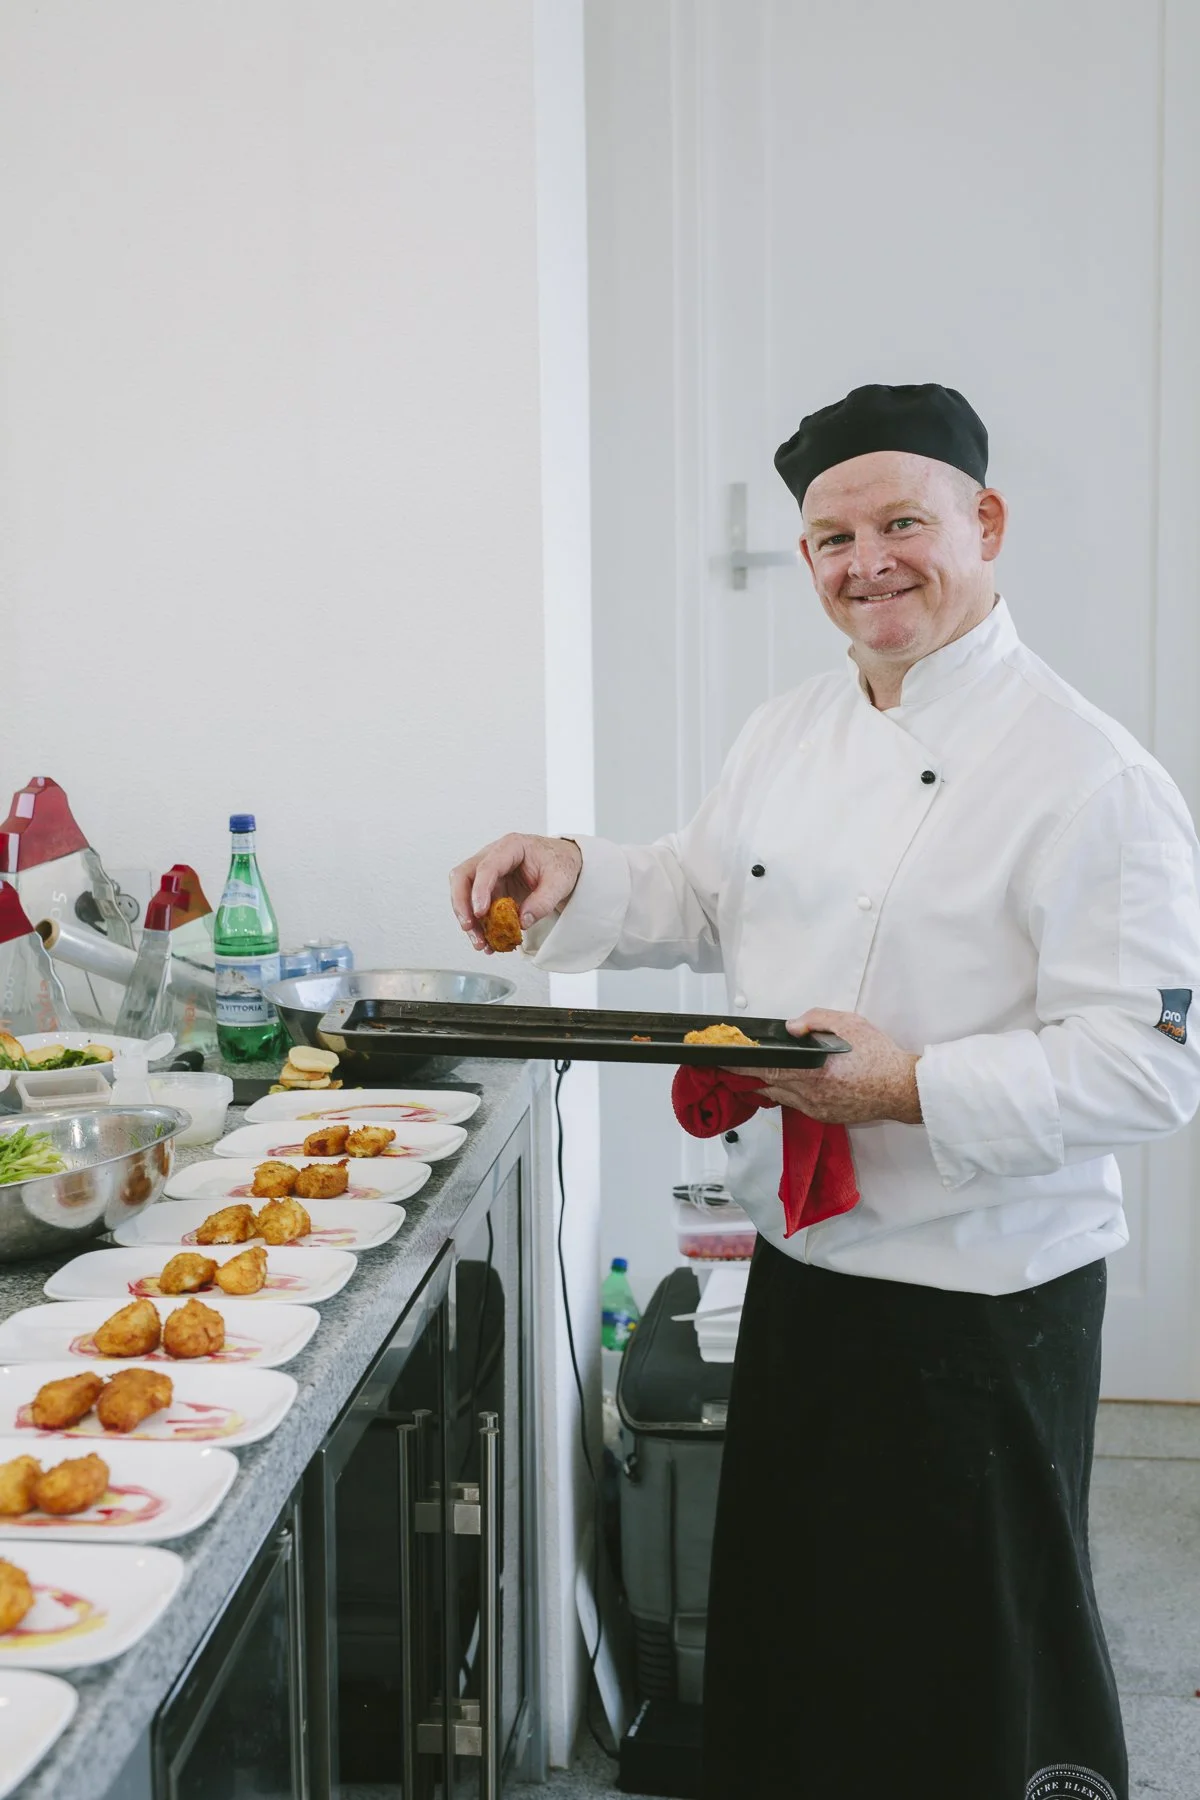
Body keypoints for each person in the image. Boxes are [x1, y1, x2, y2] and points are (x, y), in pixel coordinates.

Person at [449, 383, 1200, 1800]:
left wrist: (909, 1084)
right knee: (810, 1619)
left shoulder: (1090, 773)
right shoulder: (790, 726)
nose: (868, 563)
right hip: (806, 1254)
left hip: (986, 1283)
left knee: (978, 1643)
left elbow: (1150, 1062)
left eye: (902, 523)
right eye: (833, 536)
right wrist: (570, 865)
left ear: (985, 525)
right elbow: (698, 885)